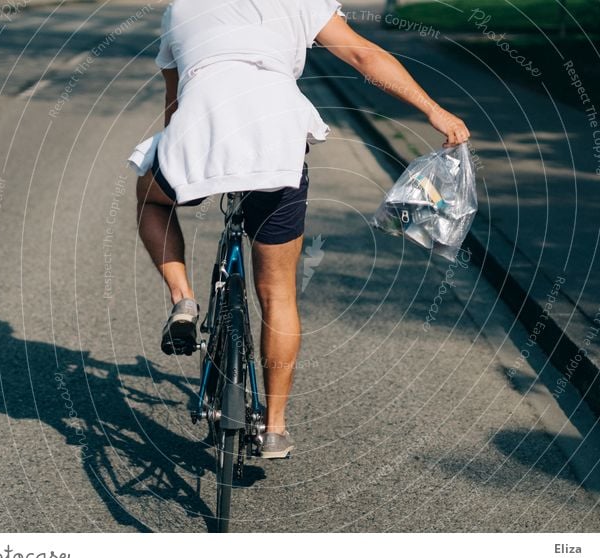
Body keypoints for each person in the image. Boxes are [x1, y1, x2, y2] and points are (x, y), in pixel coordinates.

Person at [128, 0, 469, 459]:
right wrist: (433, 110)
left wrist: (184, 159)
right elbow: (364, 56)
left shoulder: (180, 8)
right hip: (276, 141)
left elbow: (175, 105)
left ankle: (183, 299)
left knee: (151, 199)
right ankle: (274, 428)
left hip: (199, 132)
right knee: (277, 292)